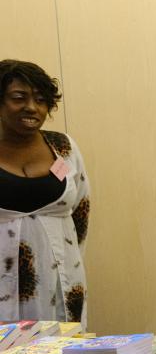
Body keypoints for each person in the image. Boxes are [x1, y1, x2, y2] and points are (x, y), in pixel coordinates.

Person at [0, 60, 90, 326]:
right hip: (4, 283)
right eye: (19, 98)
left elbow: (81, 212)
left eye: (41, 100)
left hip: (61, 280)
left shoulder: (64, 147)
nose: (32, 107)